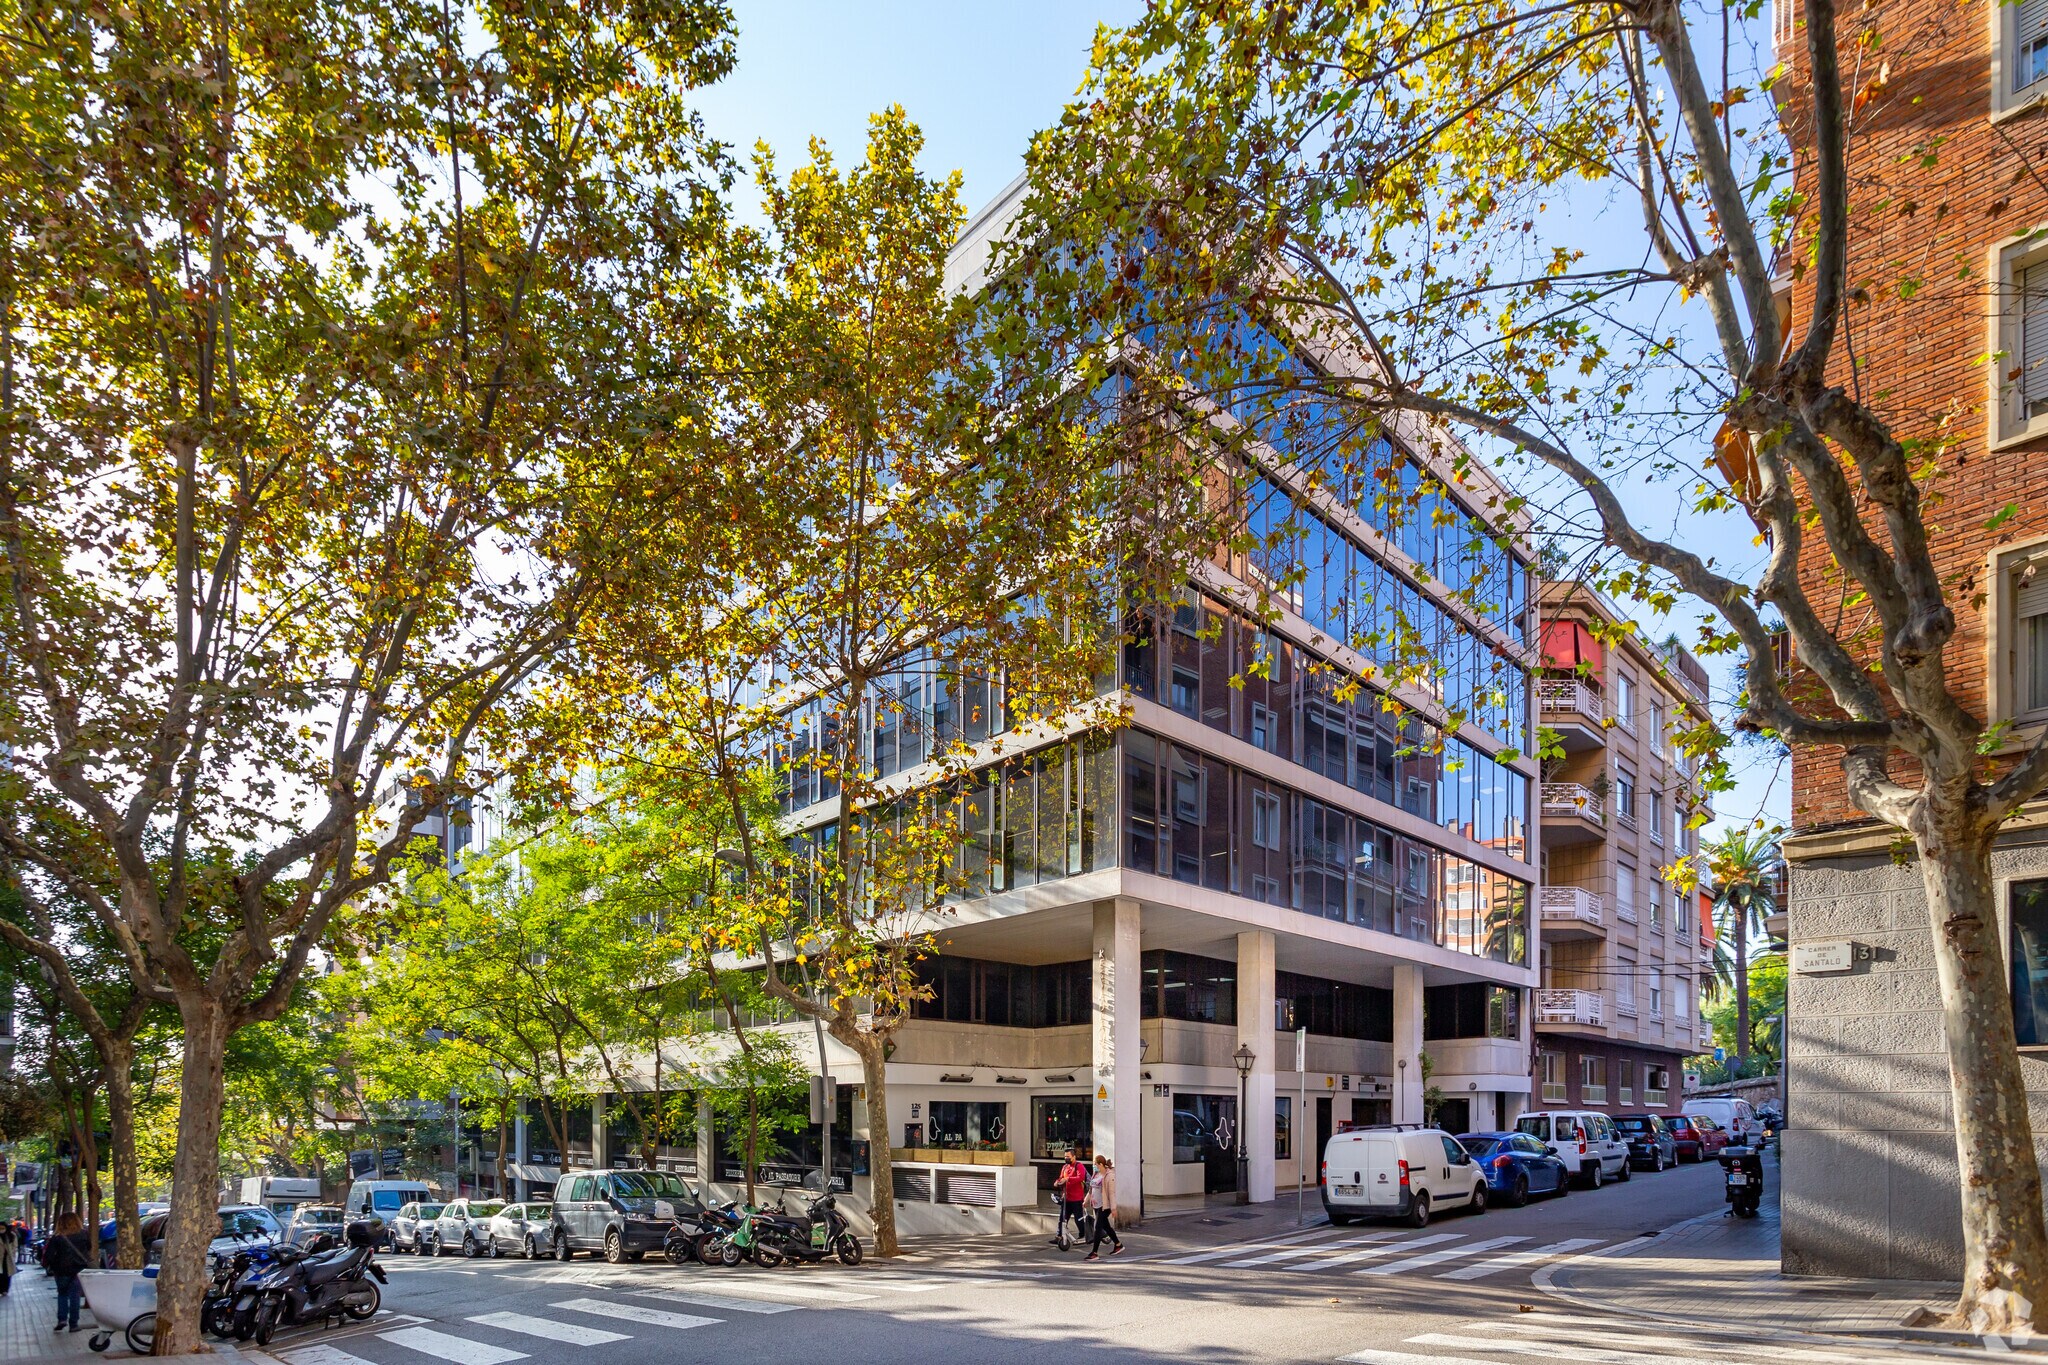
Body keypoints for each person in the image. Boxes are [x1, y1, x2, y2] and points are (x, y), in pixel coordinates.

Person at [43, 1212, 91, 1332]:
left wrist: (48, 1265)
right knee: (75, 1296)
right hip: (78, 1269)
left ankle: (62, 1319)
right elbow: (89, 1247)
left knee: (62, 1294)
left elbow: (49, 1255)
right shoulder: (84, 1234)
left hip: (61, 1270)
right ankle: (74, 1324)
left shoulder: (57, 1237)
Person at [1084, 1155, 1123, 1260]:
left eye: (1095, 1164)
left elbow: (1111, 1193)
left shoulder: (1109, 1176)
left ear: (1100, 1164)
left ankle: (1094, 1253)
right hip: (1096, 1205)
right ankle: (1118, 1244)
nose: (1094, 1166)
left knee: (1097, 1227)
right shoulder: (1096, 1174)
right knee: (1106, 1227)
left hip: (1105, 1206)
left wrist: (1113, 1208)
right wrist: (1086, 1200)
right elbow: (1091, 1190)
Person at [1054, 1152, 1090, 1248]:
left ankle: (1083, 1235)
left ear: (1074, 1157)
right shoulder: (1065, 1167)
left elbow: (1080, 1177)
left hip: (1077, 1198)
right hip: (1066, 1198)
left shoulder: (1079, 1166)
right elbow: (1061, 1177)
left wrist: (1068, 1179)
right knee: (1062, 1218)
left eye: (1068, 1157)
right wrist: (1057, 1182)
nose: (1066, 1158)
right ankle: (1059, 1235)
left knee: (1079, 1219)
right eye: (1065, 1157)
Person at [0, 1218, 14, 1295]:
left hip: (8, 1258)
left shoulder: (11, 1235)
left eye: (3, 1228)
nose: (1, 1230)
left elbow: (14, 1246)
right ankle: (1, 1289)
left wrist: (13, 1254)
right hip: (0, 1258)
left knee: (7, 1274)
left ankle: (5, 1289)